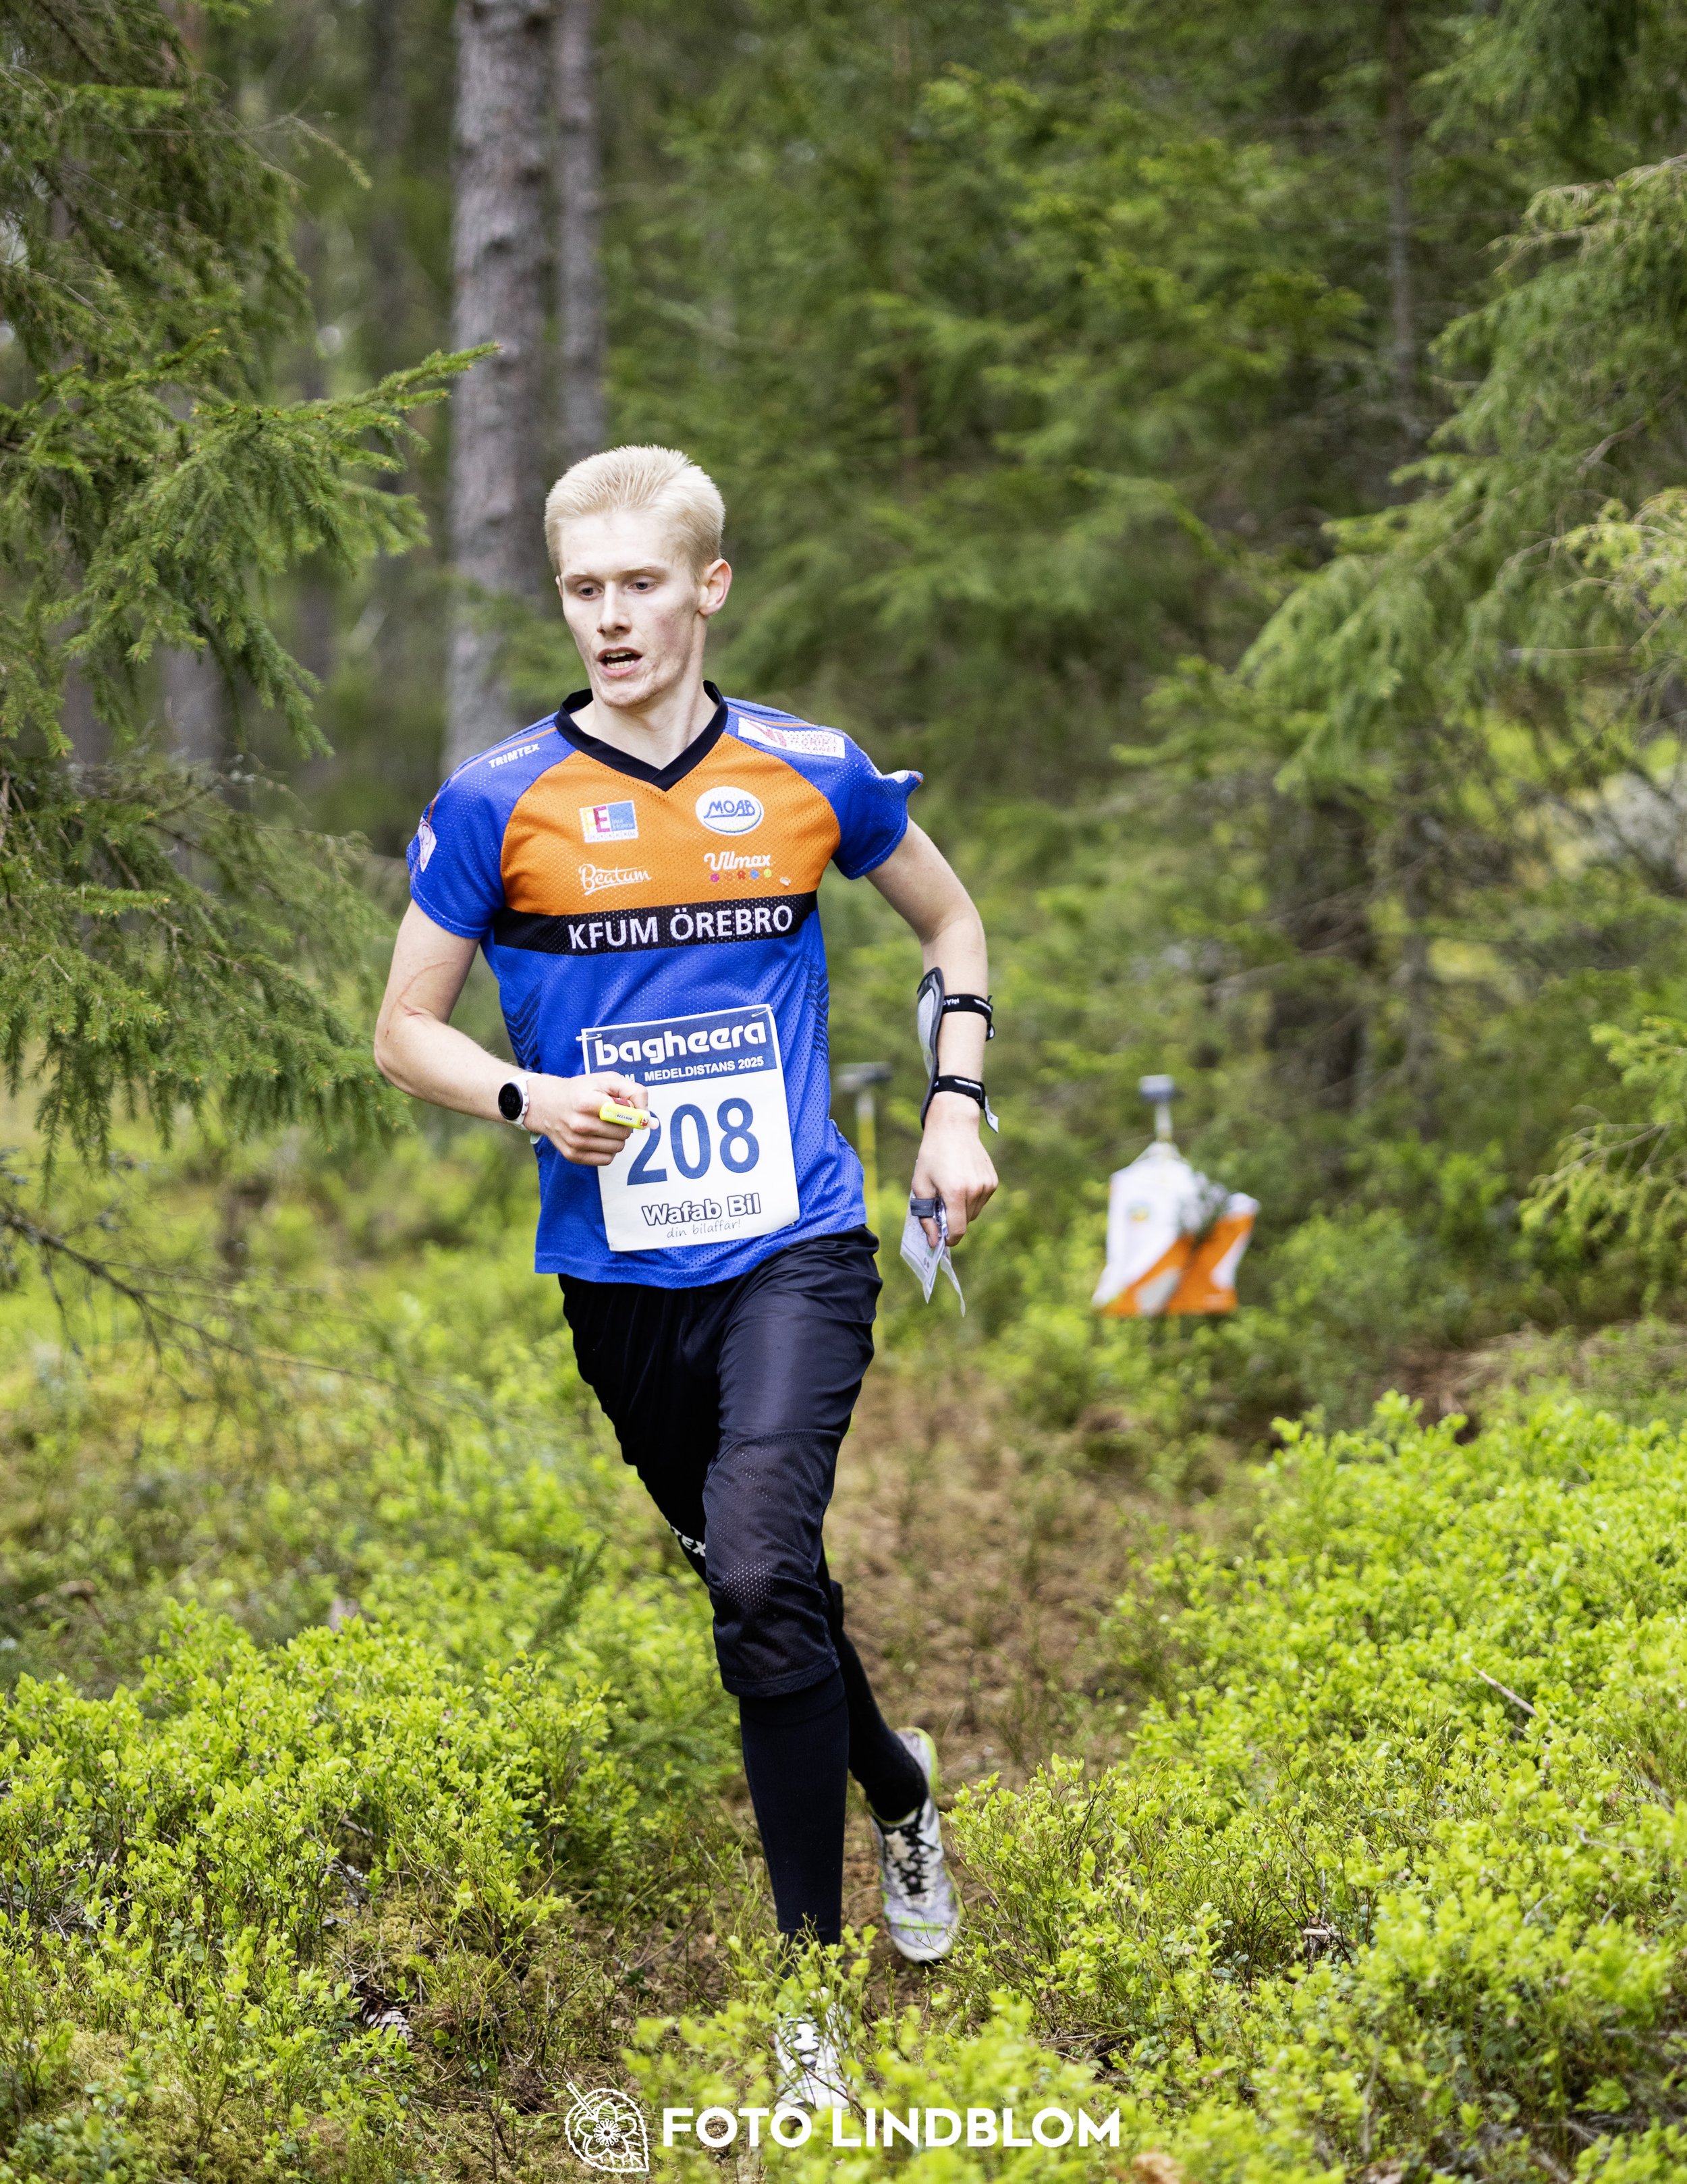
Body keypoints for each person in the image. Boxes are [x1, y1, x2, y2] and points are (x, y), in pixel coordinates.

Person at [372, 445, 997, 2096]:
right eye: (583, 589)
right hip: (618, 1280)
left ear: (707, 588)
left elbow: (950, 927)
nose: (610, 618)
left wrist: (952, 1110)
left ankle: (808, 2016)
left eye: (640, 583)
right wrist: (528, 1096)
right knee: (757, 1578)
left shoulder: (808, 770)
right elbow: (401, 1032)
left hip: (797, 1244)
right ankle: (904, 1787)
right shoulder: (497, 799)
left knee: (758, 1575)